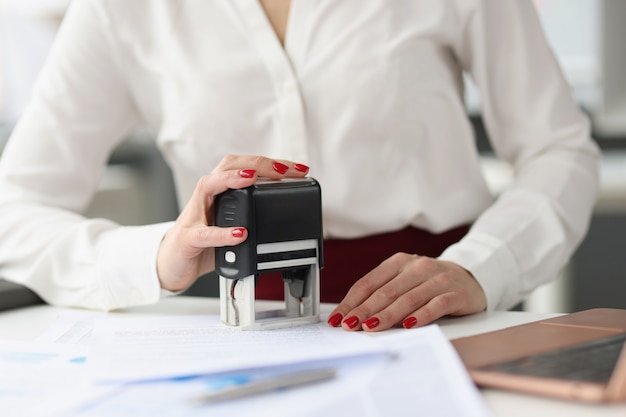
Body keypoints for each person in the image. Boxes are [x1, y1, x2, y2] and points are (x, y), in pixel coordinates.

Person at [0, 0, 600, 332]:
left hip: (437, 318)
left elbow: (559, 150)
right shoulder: (117, 9)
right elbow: (14, 211)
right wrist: (158, 255)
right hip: (235, 329)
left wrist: (482, 265)